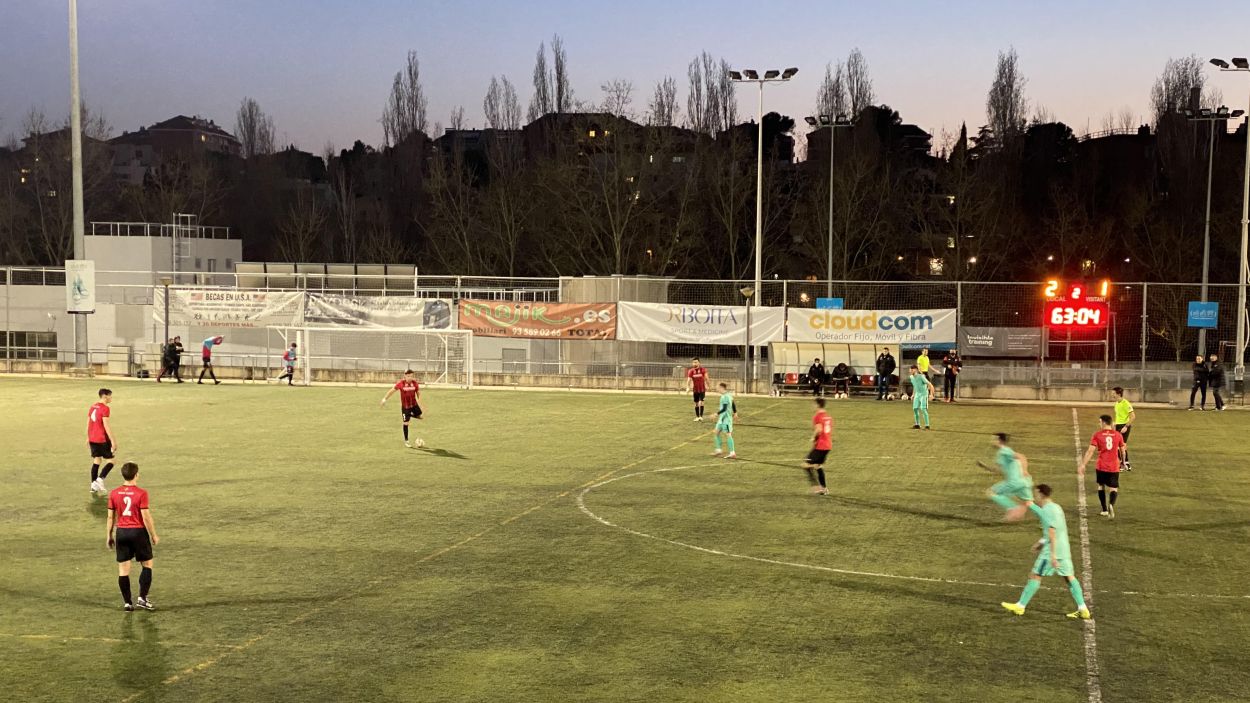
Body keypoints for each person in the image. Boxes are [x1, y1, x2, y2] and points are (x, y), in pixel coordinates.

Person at [1000, 484, 1091, 620]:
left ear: (1041, 494)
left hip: (1051, 551)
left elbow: (1052, 531)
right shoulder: (1055, 507)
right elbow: (1044, 517)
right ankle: (1083, 609)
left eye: (1036, 494)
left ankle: (1020, 606)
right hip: (1064, 549)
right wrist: (1040, 542)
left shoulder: (1048, 510)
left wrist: (1052, 555)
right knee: (1069, 577)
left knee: (1035, 575)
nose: (1035, 496)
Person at [105, 462, 159, 612]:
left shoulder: (114, 493)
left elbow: (110, 517)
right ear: (136, 475)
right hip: (138, 532)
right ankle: (142, 598)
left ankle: (128, 603)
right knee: (147, 564)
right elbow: (146, 517)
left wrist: (109, 535)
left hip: (121, 532)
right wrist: (153, 534)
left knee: (123, 570)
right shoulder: (141, 493)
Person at [1078, 414, 1126, 519]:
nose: (1099, 424)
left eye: (1100, 422)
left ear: (1104, 423)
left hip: (1101, 465)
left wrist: (1083, 464)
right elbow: (1122, 450)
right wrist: (1123, 462)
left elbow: (1090, 451)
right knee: (1113, 488)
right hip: (1114, 466)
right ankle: (1111, 505)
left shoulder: (1097, 435)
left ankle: (1104, 509)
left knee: (1101, 486)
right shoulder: (1118, 435)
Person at [985, 432, 1033, 521]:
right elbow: (996, 469)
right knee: (1028, 502)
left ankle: (1012, 507)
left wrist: (1024, 470)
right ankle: (1047, 518)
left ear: (999, 440)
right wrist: (986, 467)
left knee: (991, 492)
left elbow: (1021, 456)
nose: (991, 441)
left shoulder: (1003, 451)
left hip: (1014, 482)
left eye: (993, 439)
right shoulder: (1005, 452)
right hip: (1026, 481)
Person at [381, 369, 424, 448]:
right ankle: (406, 441)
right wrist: (384, 399)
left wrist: (421, 403)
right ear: (405, 376)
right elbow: (392, 391)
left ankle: (409, 415)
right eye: (408, 376)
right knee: (406, 423)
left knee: (421, 417)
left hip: (414, 405)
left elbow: (418, 393)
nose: (410, 378)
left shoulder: (414, 383)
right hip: (406, 407)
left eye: (411, 376)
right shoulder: (401, 383)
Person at [87, 388, 117, 494]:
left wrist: (88, 437)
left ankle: (93, 486)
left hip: (92, 438)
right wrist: (113, 441)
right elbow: (106, 425)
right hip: (102, 438)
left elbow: (89, 422)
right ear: (105, 396)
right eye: (110, 396)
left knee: (97, 460)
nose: (111, 398)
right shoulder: (105, 408)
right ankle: (100, 479)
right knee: (112, 461)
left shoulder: (92, 406)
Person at [802, 397, 834, 495]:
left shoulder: (817, 416)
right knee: (818, 466)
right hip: (828, 445)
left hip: (821, 446)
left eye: (813, 404)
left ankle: (816, 487)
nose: (812, 406)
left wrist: (812, 437)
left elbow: (819, 429)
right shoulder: (828, 417)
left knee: (805, 465)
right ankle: (824, 488)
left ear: (817, 405)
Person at [711, 382, 738, 459]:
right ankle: (718, 450)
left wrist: (715, 414)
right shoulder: (728, 395)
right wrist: (735, 412)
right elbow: (733, 403)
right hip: (721, 419)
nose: (716, 388)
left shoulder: (725, 396)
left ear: (721, 388)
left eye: (717, 387)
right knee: (716, 432)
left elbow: (725, 408)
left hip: (726, 419)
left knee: (728, 434)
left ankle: (732, 453)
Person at [1112, 387, 1135, 471]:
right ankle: (1124, 464)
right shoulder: (1116, 404)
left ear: (1118, 394)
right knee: (1119, 445)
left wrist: (1126, 426)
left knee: (1122, 445)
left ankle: (1124, 464)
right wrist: (1115, 425)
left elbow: (1133, 417)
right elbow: (1118, 416)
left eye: (1113, 393)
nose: (1112, 395)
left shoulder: (1126, 403)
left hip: (1124, 426)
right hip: (1118, 426)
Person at [908, 364, 935, 430]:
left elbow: (930, 385)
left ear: (916, 370)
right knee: (915, 409)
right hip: (917, 394)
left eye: (912, 369)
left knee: (923, 409)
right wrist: (913, 395)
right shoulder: (911, 377)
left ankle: (927, 425)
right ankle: (917, 424)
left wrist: (931, 394)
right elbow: (915, 385)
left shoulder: (921, 377)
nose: (910, 370)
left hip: (923, 394)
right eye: (910, 369)